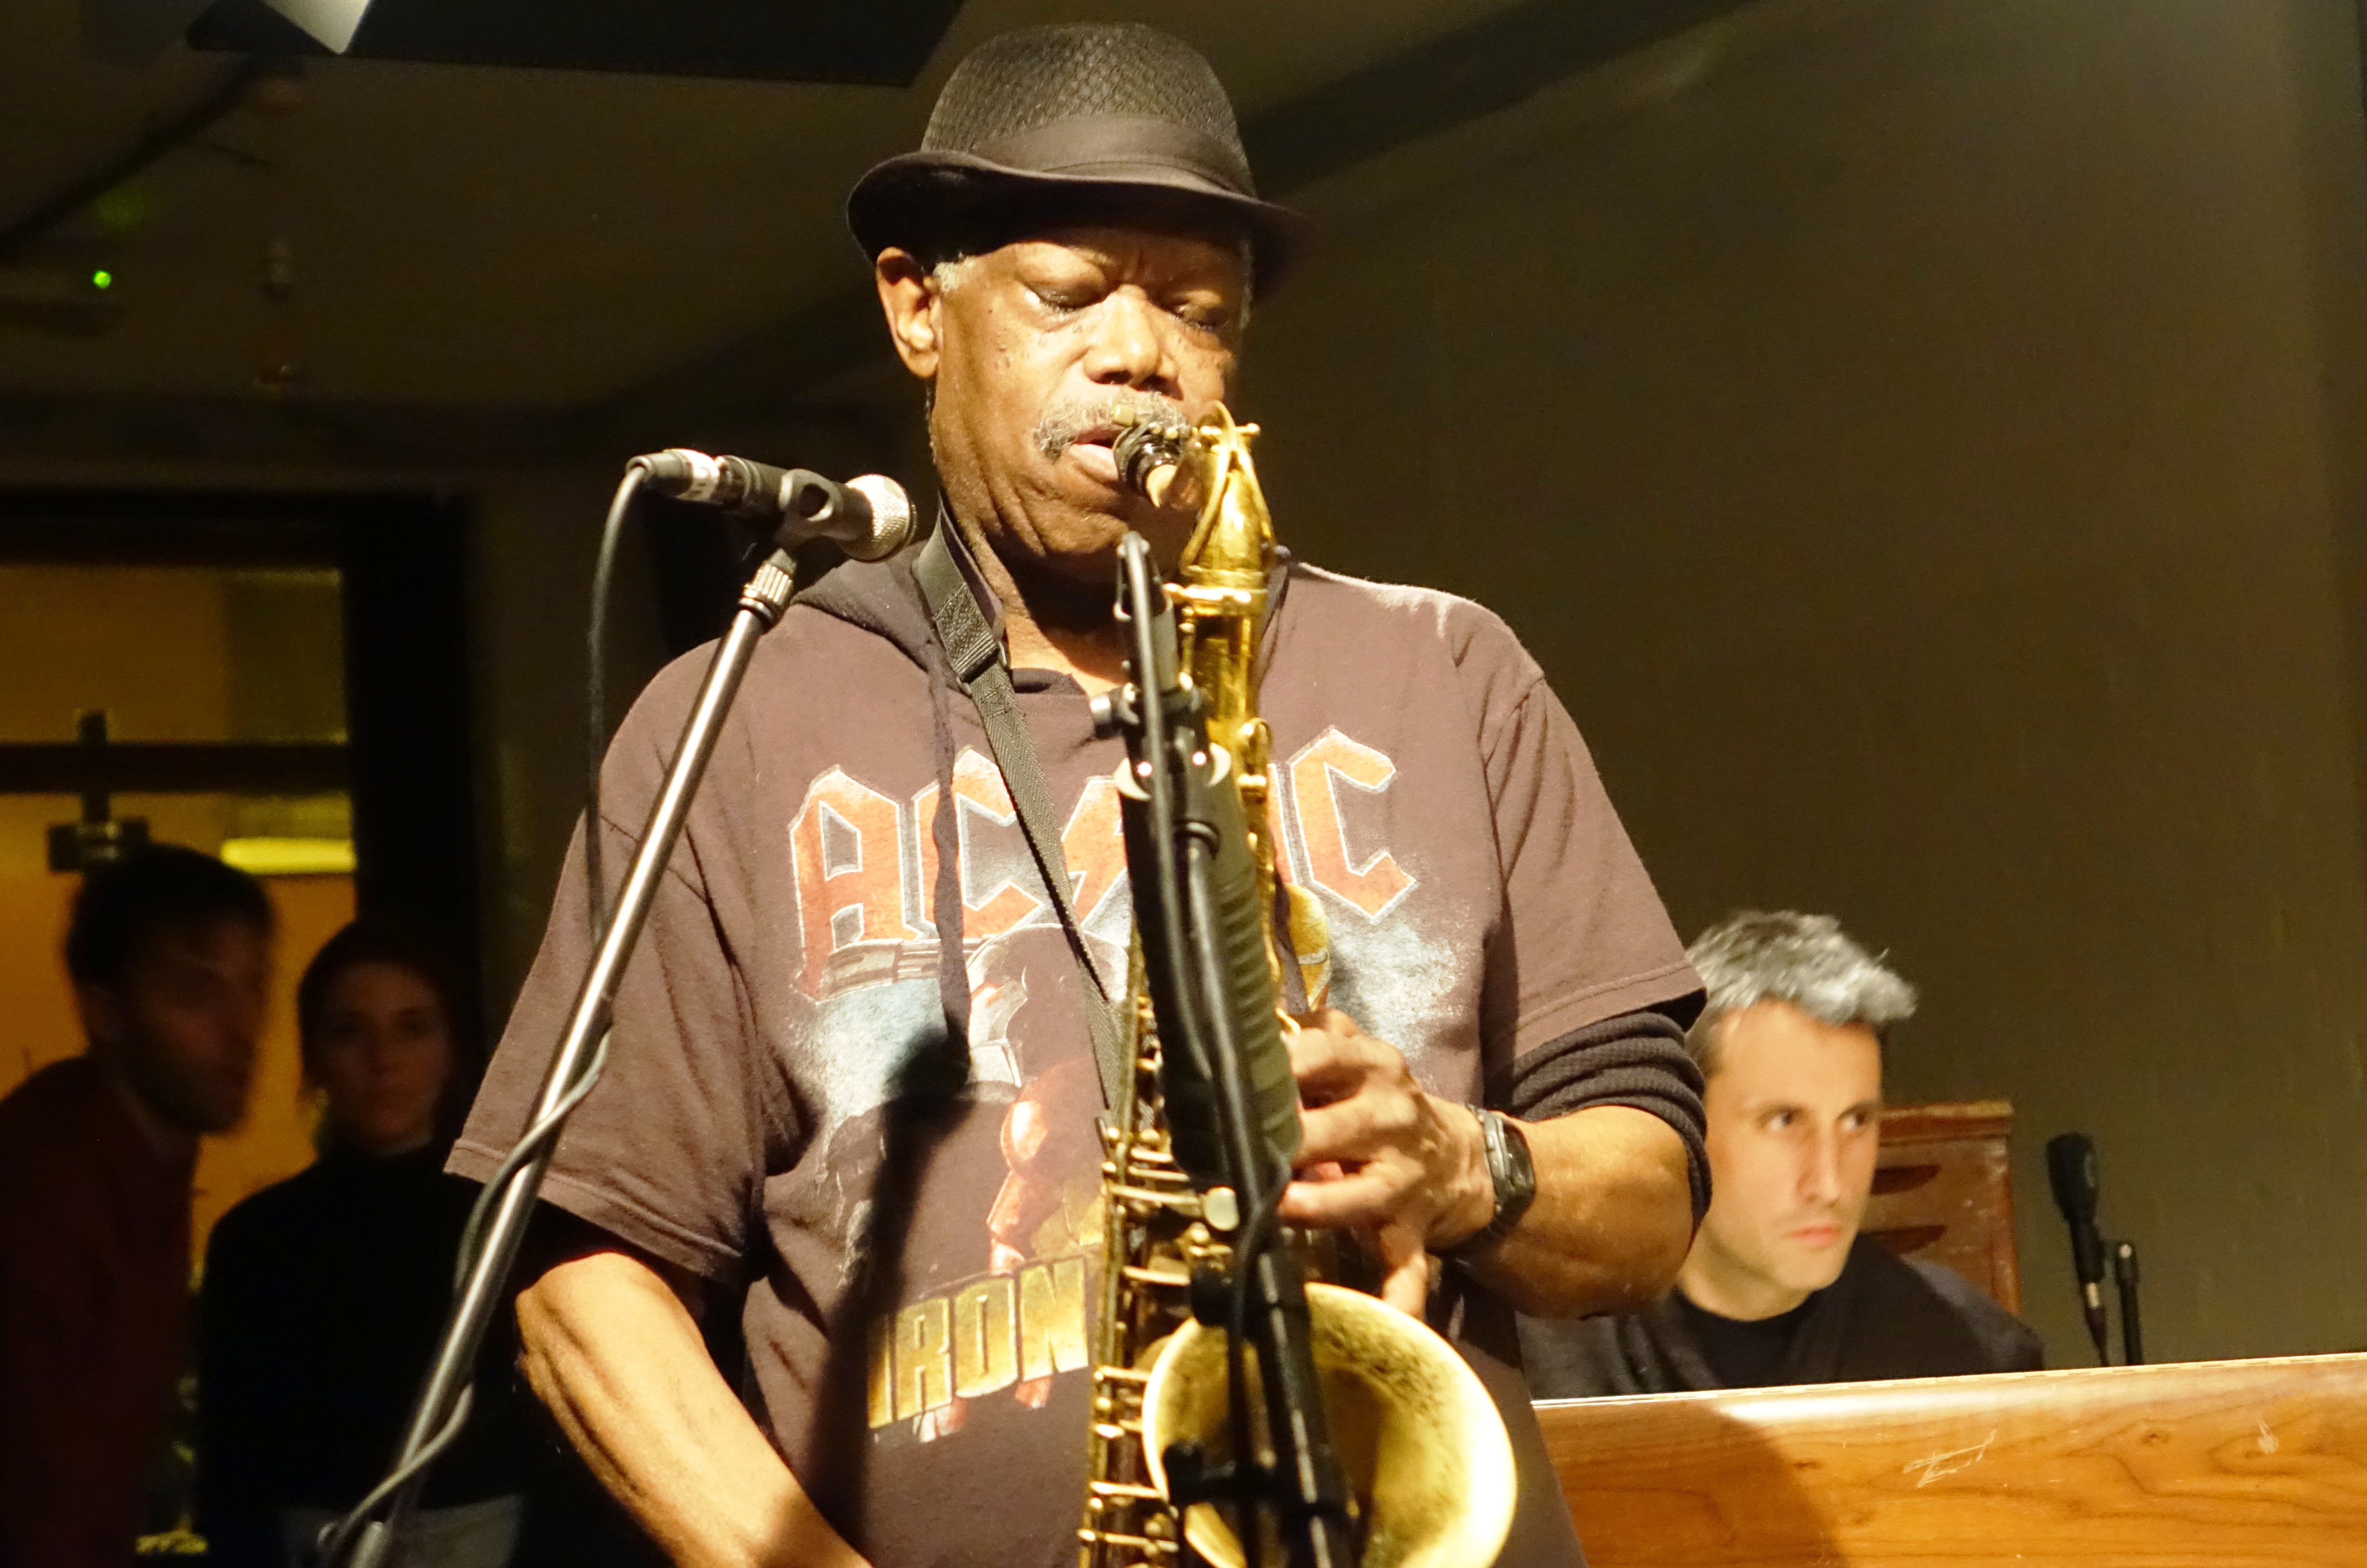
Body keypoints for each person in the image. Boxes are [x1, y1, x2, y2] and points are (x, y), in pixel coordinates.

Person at [453, 23, 1710, 1568]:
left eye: (1196, 309)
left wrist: (1464, 1163)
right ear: (917, 304)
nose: (1140, 354)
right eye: (1067, 297)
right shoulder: (741, 717)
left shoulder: (1443, 671)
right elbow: (584, 1288)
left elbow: (1647, 1199)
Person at [1520, 910, 2044, 1396]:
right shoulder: (1539, 1354)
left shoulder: (1969, 1357)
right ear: (1684, 1123)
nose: (1830, 1184)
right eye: (1784, 1121)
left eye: (1857, 1121)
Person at [196, 919, 530, 1568]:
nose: (383, 1059)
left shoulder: (514, 1221)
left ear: (451, 1047)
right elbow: (232, 1468)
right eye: (351, 1030)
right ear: (315, 1055)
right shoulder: (257, 1238)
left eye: (412, 1027)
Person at [0, 844, 274, 1568]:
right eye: (197, 993)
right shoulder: (45, 1187)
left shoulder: (146, 1164)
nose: (241, 1028)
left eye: (254, 986)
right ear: (106, 1011)